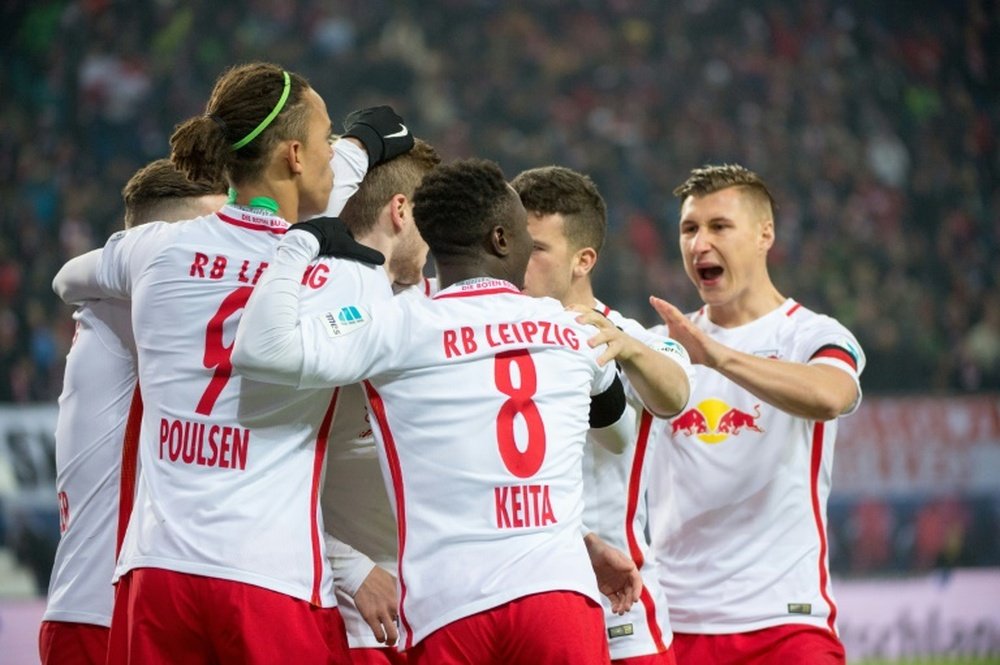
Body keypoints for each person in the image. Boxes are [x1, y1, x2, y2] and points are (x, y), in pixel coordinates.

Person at [232, 158, 687, 664]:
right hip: (558, 596)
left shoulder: (396, 325)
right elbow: (613, 427)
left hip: (451, 607)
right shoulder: (572, 328)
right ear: (501, 240)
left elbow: (262, 350)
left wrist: (297, 246)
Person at [51, 61, 412, 664]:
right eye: (326, 143)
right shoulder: (331, 279)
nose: (333, 157)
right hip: (268, 577)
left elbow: (70, 280)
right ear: (295, 155)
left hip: (157, 574)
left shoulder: (155, 249)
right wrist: (369, 146)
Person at [646, 164, 865, 665]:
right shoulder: (663, 349)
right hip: (673, 623)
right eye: (689, 228)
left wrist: (718, 356)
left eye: (719, 226)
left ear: (765, 234)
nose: (699, 243)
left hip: (785, 622)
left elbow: (831, 395)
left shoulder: (809, 335)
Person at [40, 159, 227, 665]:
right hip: (104, 617)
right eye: (212, 230)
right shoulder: (130, 309)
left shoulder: (116, 305)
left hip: (109, 607)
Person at [512, 164, 692, 665]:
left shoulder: (631, 339)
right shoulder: (497, 337)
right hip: (523, 603)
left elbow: (677, 394)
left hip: (620, 608)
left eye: (538, 249)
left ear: (582, 260)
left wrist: (627, 349)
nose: (518, 260)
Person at [316, 137, 441, 664]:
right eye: (428, 222)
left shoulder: (445, 312)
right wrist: (352, 569)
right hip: (353, 618)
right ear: (401, 210)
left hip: (448, 611)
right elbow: (254, 481)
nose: (433, 242)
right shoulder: (317, 327)